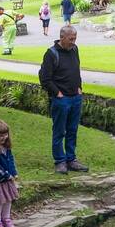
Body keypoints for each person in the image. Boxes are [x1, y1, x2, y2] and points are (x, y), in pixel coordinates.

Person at [38, 25, 90, 174]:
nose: (73, 41)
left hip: (75, 97)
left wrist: (79, 88)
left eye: (75, 38)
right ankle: (60, 161)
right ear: (62, 37)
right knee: (59, 130)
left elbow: (76, 69)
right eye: (70, 39)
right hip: (61, 99)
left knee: (73, 130)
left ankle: (71, 159)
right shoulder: (51, 54)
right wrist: (58, 93)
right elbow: (45, 78)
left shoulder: (74, 49)